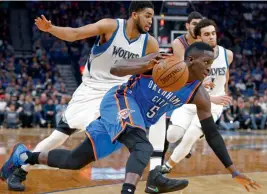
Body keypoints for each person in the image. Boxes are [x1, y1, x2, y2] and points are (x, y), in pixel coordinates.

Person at [1, 42, 261, 194]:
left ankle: (24, 157)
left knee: (74, 161)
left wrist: (233, 171)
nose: (209, 68)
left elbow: (213, 134)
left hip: (132, 120)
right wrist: (145, 62)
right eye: (206, 62)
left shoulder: (199, 95)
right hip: (120, 100)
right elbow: (116, 69)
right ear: (190, 59)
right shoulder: (163, 62)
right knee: (143, 146)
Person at [0, 1, 169, 191]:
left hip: (119, 94)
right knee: (58, 137)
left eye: (152, 17)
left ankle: (151, 171)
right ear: (135, 14)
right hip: (91, 89)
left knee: (132, 130)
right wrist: (51, 28)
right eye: (147, 15)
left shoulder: (150, 43)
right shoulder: (111, 26)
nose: (150, 21)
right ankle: (21, 166)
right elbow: (75, 34)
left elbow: (151, 74)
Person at [161, 18, 234, 175]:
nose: (212, 37)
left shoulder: (227, 54)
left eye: (213, 33)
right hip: (192, 100)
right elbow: (185, 81)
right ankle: (196, 134)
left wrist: (224, 92)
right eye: (207, 34)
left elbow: (226, 75)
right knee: (172, 136)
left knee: (191, 135)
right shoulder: (192, 55)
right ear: (199, 38)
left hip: (213, 104)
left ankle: (166, 166)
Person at [147, 11, 203, 182]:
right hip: (178, 86)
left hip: (196, 87)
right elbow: (183, 68)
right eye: (194, 24)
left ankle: (185, 141)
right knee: (165, 130)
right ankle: (158, 167)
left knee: (194, 126)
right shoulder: (179, 42)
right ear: (187, 25)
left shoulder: (204, 42)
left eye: (199, 25)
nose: (197, 27)